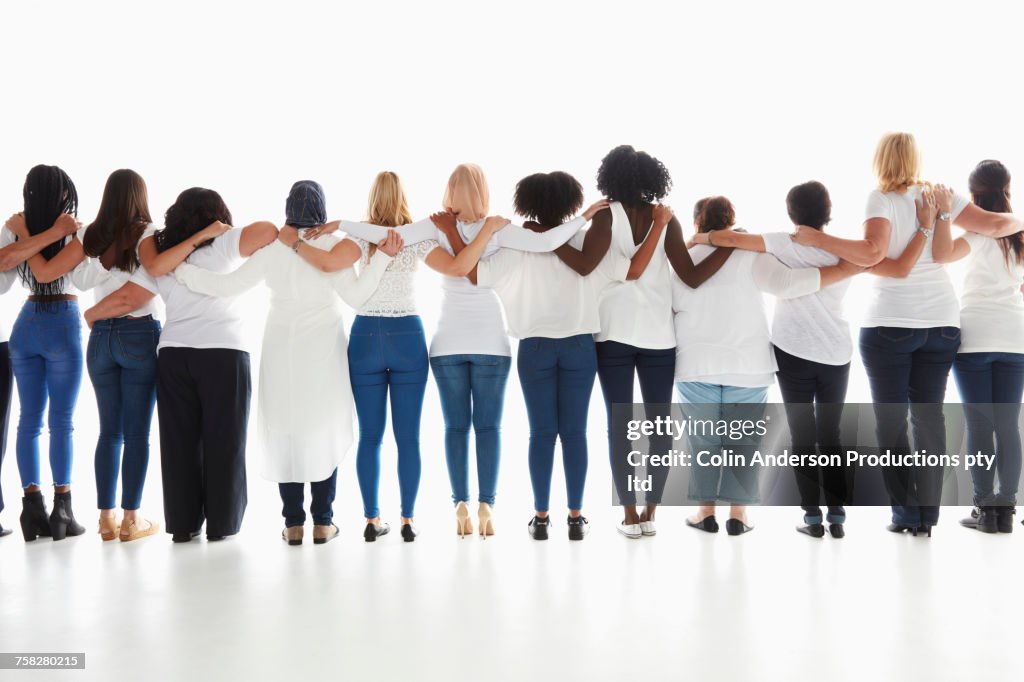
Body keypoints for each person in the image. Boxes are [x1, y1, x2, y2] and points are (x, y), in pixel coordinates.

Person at [303, 165, 593, 538]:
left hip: (443, 343)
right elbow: (546, 243)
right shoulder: (499, 228)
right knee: (486, 428)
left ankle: (438, 508)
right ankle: (478, 505)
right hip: (487, 341)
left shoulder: (434, 226)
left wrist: (344, 224)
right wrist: (583, 217)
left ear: (450, 191)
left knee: (441, 429)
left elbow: (388, 235)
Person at [792, 132, 1024, 536]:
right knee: (930, 420)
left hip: (890, 325)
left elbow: (873, 253)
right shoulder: (940, 198)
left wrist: (820, 240)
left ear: (880, 159)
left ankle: (905, 514)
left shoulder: (879, 198)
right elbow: (996, 224)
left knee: (891, 423)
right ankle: (930, 517)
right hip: (942, 324)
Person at [276, 171, 509, 542]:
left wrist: (294, 242)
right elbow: (457, 268)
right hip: (407, 336)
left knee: (371, 437)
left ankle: (371, 519)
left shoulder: (357, 240)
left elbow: (326, 264)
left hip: (366, 335)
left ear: (372, 199)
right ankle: (407, 520)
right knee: (409, 438)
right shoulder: (416, 239)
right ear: (403, 199)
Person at [690, 181, 927, 538]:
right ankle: (837, 515)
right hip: (835, 352)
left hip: (792, 352)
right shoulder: (849, 251)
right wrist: (924, 227)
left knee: (802, 435)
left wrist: (700, 239)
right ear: (827, 211)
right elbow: (897, 267)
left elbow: (734, 240)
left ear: (791, 212)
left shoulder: (782, 242)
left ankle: (812, 518)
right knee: (830, 435)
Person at [173, 180, 401, 545]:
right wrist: (385, 259)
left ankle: (293, 523)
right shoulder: (334, 247)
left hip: (280, 345)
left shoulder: (274, 249)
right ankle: (324, 522)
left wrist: (182, 271)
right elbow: (358, 298)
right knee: (322, 428)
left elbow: (228, 286)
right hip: (323, 346)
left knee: (286, 430)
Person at [562, 145, 733, 538]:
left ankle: (629, 516)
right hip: (659, 337)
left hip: (613, 335)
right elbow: (690, 276)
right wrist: (725, 248)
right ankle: (651, 513)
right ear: (652, 179)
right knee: (659, 428)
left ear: (611, 178)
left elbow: (588, 265)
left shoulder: (605, 218)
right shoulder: (666, 219)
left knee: (618, 427)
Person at [88, 187, 277, 542]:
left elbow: (130, 296)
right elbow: (268, 230)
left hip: (175, 356)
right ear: (215, 215)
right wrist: (216, 232)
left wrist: (93, 313)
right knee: (226, 442)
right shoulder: (224, 243)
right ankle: (223, 525)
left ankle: (183, 524)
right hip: (223, 353)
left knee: (179, 445)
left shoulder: (165, 257)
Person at [465, 171, 634, 541]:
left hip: (534, 348)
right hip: (579, 345)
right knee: (575, 433)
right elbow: (626, 270)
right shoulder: (587, 240)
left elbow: (474, 273)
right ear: (573, 203)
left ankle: (541, 518)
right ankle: (575, 517)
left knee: (541, 433)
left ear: (528, 205)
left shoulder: (519, 245)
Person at [677, 196, 857, 536]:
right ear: (732, 224)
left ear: (698, 224)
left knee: (704, 442)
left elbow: (669, 306)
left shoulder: (683, 258)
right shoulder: (751, 254)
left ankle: (705, 512)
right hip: (748, 365)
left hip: (696, 364)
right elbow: (787, 285)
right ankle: (738, 514)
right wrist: (843, 270)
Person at [1, 165, 102, 541]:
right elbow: (60, 276)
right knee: (61, 422)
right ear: (65, 195)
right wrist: (57, 233)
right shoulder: (77, 230)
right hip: (62, 322)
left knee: (28, 421)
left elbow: (4, 275)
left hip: (25, 324)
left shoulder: (15, 229)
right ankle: (63, 510)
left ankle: (32, 510)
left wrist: (26, 235)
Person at [928, 161, 1024, 534]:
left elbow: (941, 255)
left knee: (980, 426)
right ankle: (1006, 510)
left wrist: (941, 216)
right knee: (1007, 425)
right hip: (1015, 338)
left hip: (974, 337)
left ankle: (985, 509)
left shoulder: (972, 234)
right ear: (1006, 190)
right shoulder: (1017, 233)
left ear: (972, 195)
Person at [75, 169, 164, 542]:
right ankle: (132, 519)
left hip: (100, 338)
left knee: (108, 431)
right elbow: (152, 281)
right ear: (140, 196)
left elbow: (80, 281)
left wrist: (101, 259)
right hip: (137, 332)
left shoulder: (89, 235)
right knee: (137, 434)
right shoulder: (149, 233)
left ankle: (105, 520)